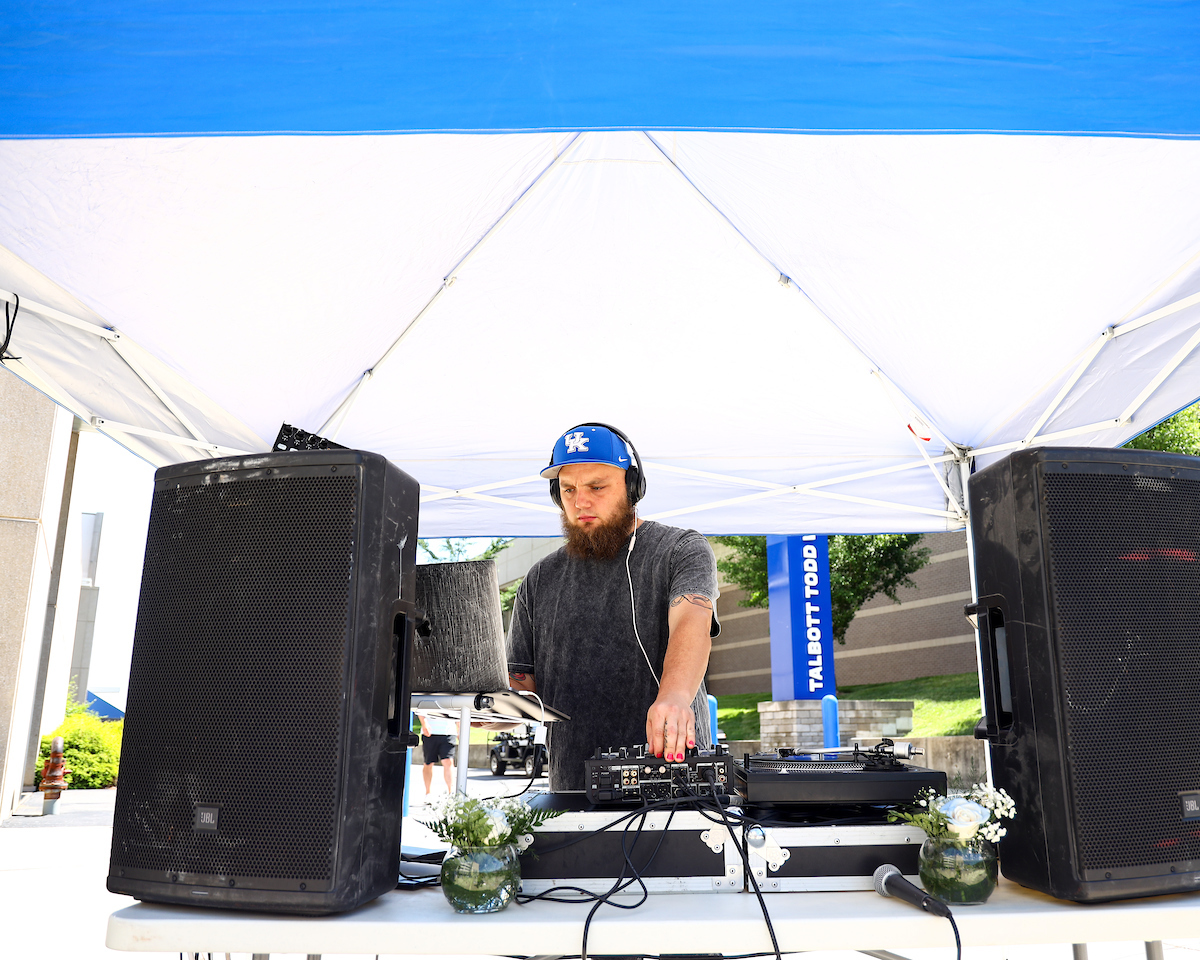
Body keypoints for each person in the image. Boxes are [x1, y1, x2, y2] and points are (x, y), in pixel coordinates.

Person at [507, 423, 720, 792]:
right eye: (568, 489)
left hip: (672, 788)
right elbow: (522, 684)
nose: (580, 501)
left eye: (597, 487)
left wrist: (674, 695)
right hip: (570, 789)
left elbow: (692, 623)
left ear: (633, 488)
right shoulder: (539, 578)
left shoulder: (680, 550)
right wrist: (488, 708)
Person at [417, 711, 458, 797]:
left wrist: (459, 729)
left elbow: (458, 711)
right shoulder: (428, 696)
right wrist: (424, 724)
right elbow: (420, 709)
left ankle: (451, 793)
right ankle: (428, 792)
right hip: (430, 732)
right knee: (428, 763)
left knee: (448, 761)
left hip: (449, 732)